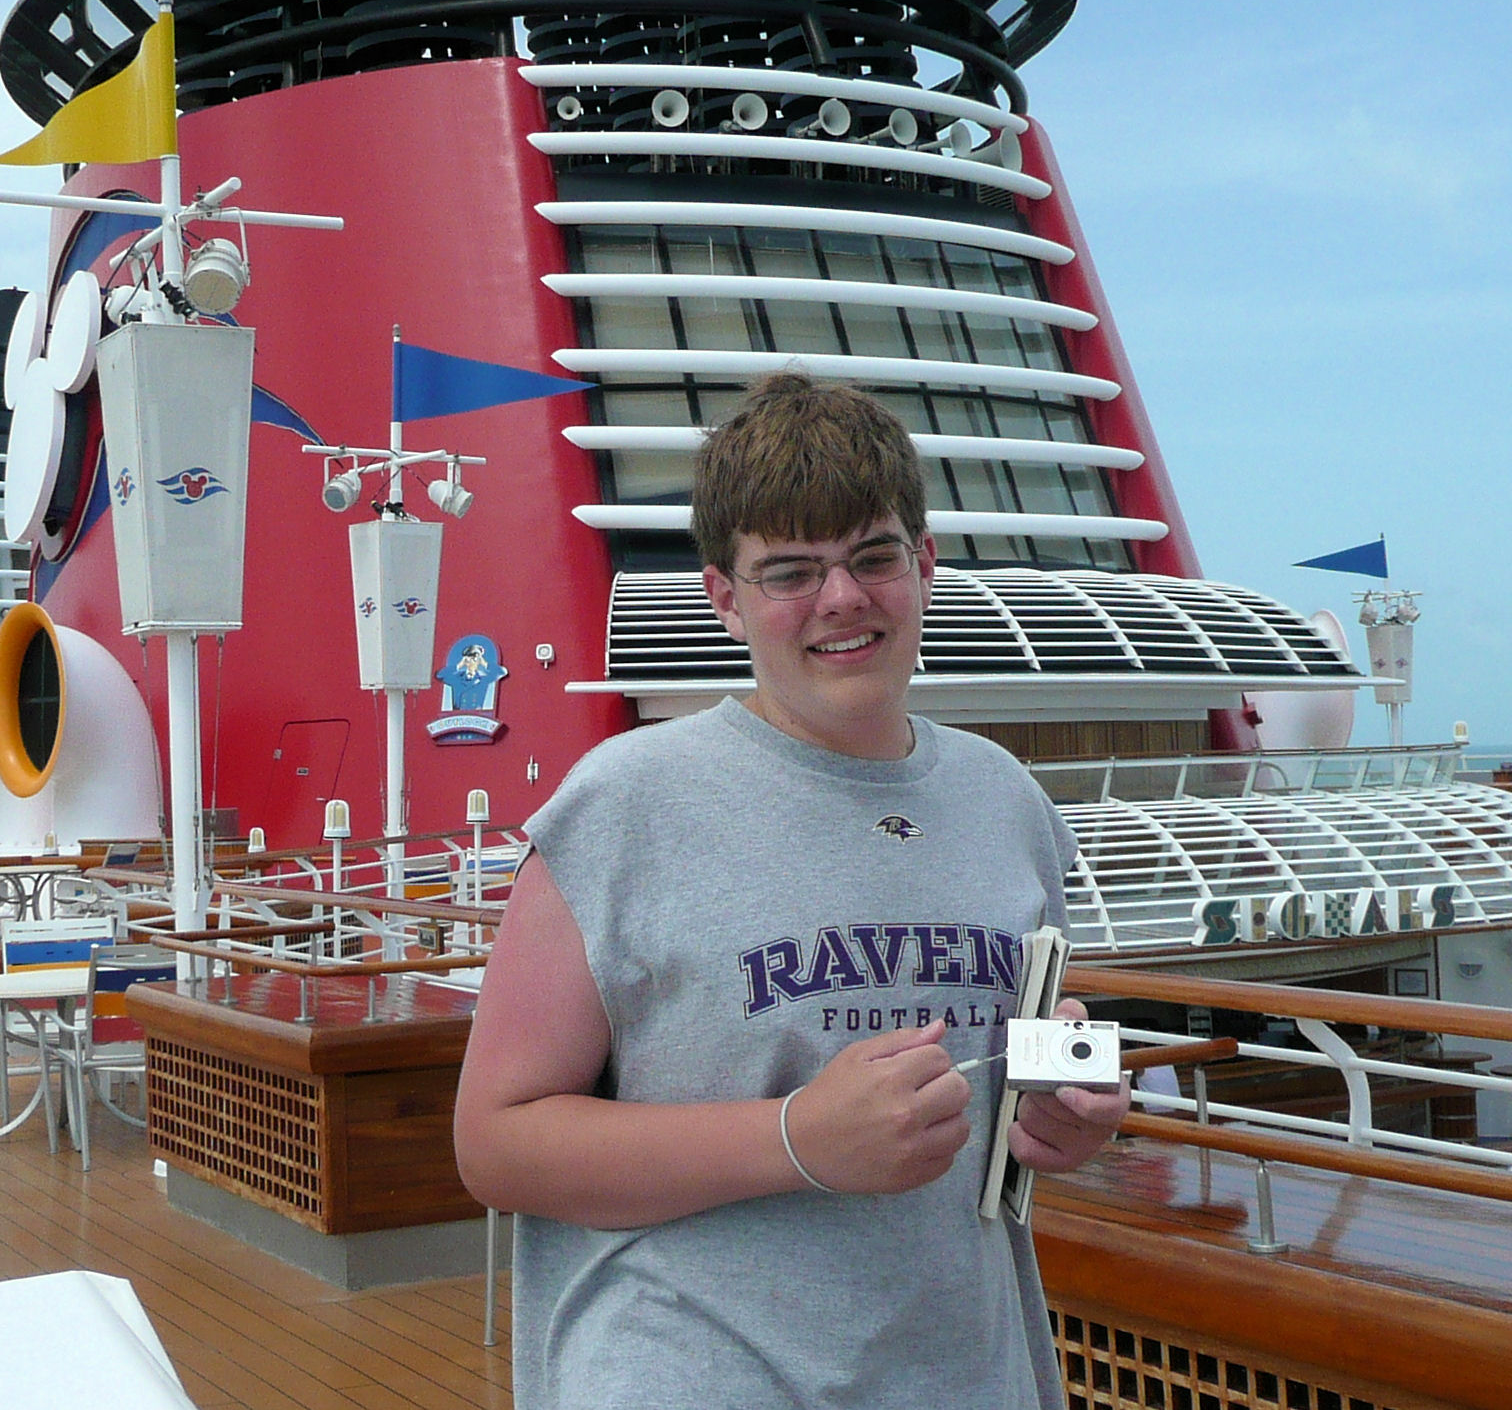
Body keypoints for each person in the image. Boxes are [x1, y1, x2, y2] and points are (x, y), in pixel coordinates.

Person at [455, 374, 1127, 1408]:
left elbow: (1012, 1060)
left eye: (871, 557)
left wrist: (1061, 1108)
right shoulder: (624, 804)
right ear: (723, 597)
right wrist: (795, 1141)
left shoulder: (1005, 801)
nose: (841, 599)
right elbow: (495, 1143)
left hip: (956, 1370)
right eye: (790, 572)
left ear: (924, 563)